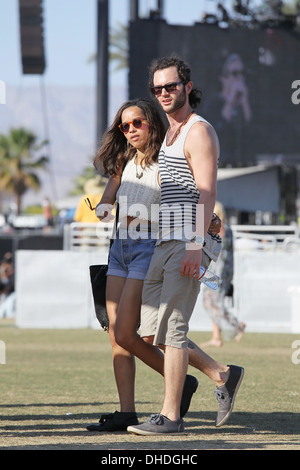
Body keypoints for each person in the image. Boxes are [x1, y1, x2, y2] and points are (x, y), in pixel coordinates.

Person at [86, 98, 221, 433]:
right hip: (120, 247)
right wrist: (103, 208)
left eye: (137, 123)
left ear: (150, 123)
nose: (130, 130)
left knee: (138, 333)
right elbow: (107, 201)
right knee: (117, 336)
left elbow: (193, 196)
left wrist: (210, 222)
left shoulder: (169, 158)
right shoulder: (123, 160)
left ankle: (189, 379)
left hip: (150, 246)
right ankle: (127, 412)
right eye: (124, 125)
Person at [126, 56, 244, 435]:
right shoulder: (169, 135)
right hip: (164, 241)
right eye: (157, 88)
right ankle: (221, 373)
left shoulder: (198, 132)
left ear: (187, 87)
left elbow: (207, 191)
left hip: (188, 242)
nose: (163, 93)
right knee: (149, 333)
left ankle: (170, 417)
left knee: (173, 330)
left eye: (171, 86)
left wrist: (196, 244)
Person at [201, 201, 246, 348]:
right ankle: (217, 336)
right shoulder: (228, 229)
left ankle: (236, 325)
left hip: (215, 272)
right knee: (212, 303)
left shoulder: (214, 228)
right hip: (224, 271)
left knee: (210, 302)